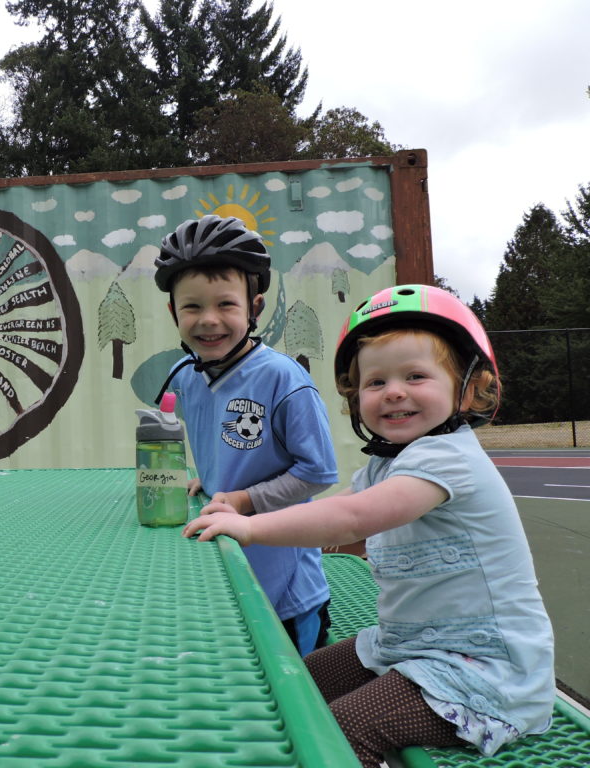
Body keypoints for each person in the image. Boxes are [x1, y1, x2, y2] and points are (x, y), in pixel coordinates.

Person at [183, 284, 555, 767]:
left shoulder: (449, 459)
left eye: (416, 375)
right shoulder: (387, 464)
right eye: (375, 382)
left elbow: (352, 518)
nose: (394, 391)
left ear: (468, 387)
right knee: (288, 684)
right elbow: (343, 514)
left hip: (483, 672)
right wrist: (263, 519)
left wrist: (250, 527)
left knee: (339, 730)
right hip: (406, 647)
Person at [154, 214, 339, 656]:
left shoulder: (282, 379)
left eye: (226, 305)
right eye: (193, 306)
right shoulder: (184, 374)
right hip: (232, 574)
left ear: (254, 307)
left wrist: (243, 500)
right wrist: (212, 477)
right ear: (173, 312)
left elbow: (319, 472)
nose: (208, 320)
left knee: (301, 703)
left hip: (289, 593)